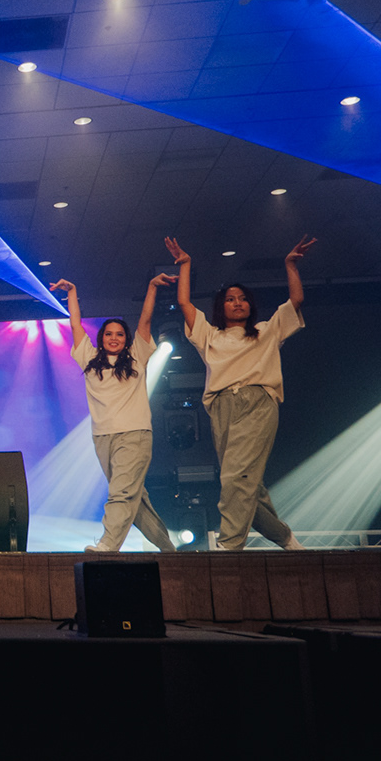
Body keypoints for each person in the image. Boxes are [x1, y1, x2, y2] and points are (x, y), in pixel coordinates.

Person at [164, 236, 315, 551]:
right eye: (231, 299)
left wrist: (290, 265)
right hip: (221, 406)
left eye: (243, 298)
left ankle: (229, 545)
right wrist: (186, 265)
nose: (237, 303)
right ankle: (286, 539)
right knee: (245, 483)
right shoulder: (210, 335)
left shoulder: (265, 331)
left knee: (236, 478)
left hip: (257, 402)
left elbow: (296, 301)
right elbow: (185, 305)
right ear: (221, 306)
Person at [54, 274, 178, 554]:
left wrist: (151, 287)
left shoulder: (137, 357)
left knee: (120, 493)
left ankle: (109, 544)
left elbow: (145, 320)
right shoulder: (88, 359)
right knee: (135, 500)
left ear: (126, 339)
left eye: (120, 334)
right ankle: (170, 551)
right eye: (109, 334)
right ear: (101, 338)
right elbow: (75, 324)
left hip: (134, 434)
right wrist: (72, 292)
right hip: (102, 437)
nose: (114, 338)